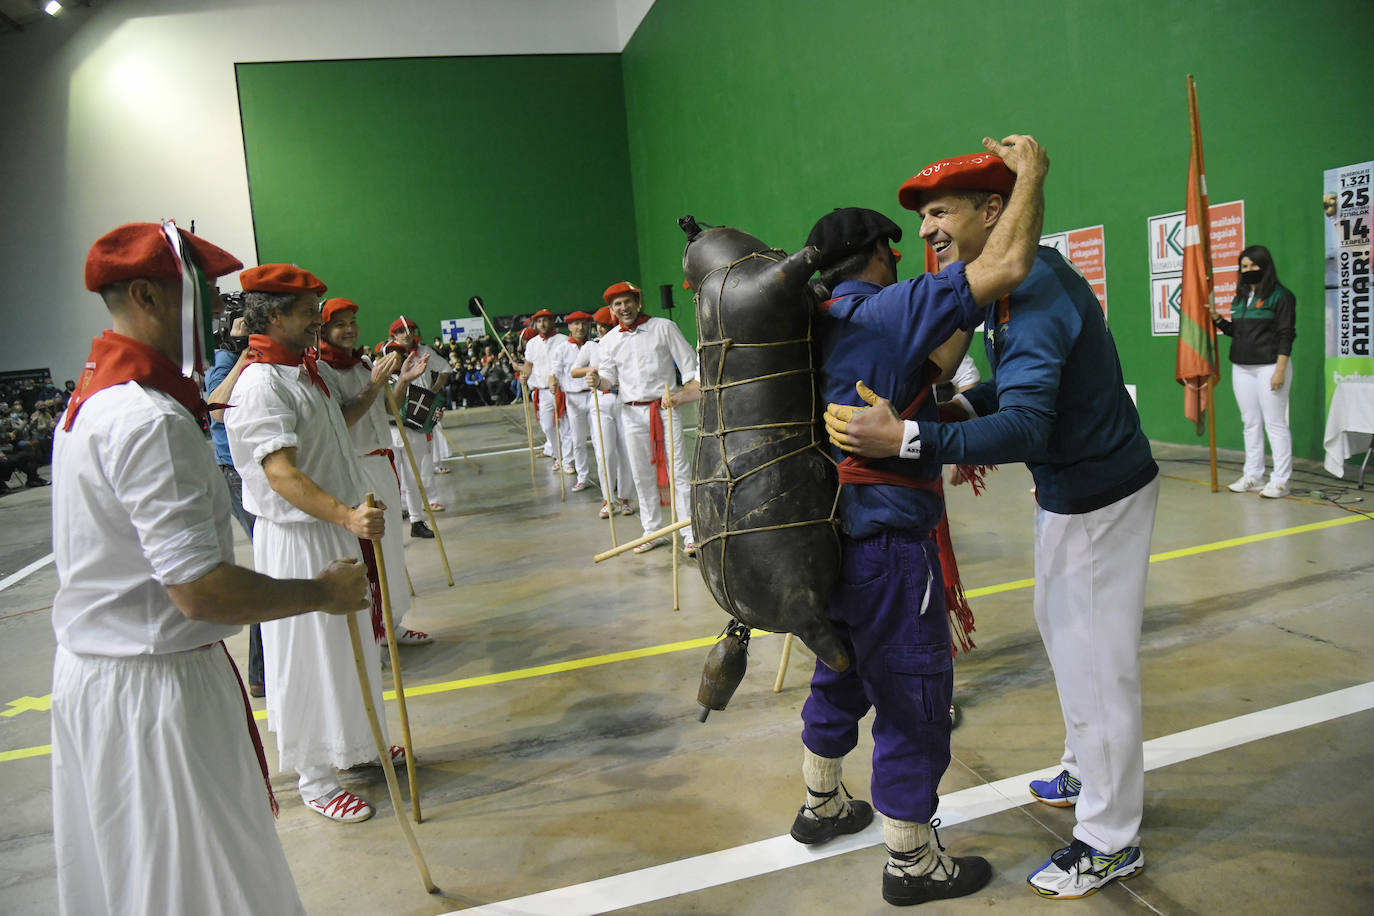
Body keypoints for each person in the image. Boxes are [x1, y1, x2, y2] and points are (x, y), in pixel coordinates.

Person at [826, 143, 1159, 900]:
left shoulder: (1033, 289)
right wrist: (953, 407)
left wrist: (908, 437)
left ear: (993, 212)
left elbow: (1031, 426)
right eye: (921, 219)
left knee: (1096, 663)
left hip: (1098, 495)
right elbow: (1011, 386)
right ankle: (1087, 766)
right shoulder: (1008, 293)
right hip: (1070, 493)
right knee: (1059, 626)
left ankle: (1111, 839)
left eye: (942, 212)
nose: (928, 231)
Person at [52, 222, 371, 914]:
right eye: (201, 289)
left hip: (121, 670)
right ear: (145, 295)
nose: (220, 307)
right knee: (196, 880)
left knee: (155, 874)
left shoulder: (101, 399)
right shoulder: (146, 419)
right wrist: (320, 592)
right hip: (153, 681)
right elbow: (198, 589)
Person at [792, 135, 1048, 909]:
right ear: (877, 253)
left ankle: (823, 803)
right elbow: (1003, 268)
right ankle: (910, 860)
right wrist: (1031, 173)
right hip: (885, 537)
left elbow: (926, 368)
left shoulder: (817, 322)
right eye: (897, 245)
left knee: (840, 666)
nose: (907, 255)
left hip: (823, 535)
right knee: (911, 689)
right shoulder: (885, 307)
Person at [225, 264, 398, 823]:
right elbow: (283, 477)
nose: (316, 321)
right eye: (306, 312)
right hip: (300, 535)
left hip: (333, 525)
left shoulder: (303, 371)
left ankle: (357, 742)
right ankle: (315, 778)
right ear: (272, 315)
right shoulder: (261, 385)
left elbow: (335, 437)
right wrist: (346, 515)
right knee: (307, 655)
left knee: (350, 651)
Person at [316, 297, 434, 645]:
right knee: (369, 554)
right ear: (323, 329)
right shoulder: (323, 369)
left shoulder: (362, 361)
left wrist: (402, 380)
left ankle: (392, 626)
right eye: (340, 324)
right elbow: (343, 420)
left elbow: (389, 407)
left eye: (352, 321)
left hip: (383, 463)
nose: (350, 329)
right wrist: (374, 383)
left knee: (393, 551)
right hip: (356, 467)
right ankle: (372, 633)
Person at [586, 283, 698, 554]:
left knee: (679, 471)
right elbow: (609, 379)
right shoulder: (610, 340)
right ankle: (652, 530)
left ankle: (689, 531)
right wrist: (598, 380)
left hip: (664, 409)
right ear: (612, 310)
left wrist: (682, 396)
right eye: (617, 305)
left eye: (627, 301)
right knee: (641, 472)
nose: (623, 308)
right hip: (631, 413)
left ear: (638, 301)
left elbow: (690, 367)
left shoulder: (663, 327)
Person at [205, 295, 265, 695]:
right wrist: (239, 354)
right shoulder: (223, 361)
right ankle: (261, 673)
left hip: (253, 467)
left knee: (272, 560)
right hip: (235, 472)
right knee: (269, 561)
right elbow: (216, 409)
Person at [1211, 245, 1296, 498]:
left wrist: (1279, 370)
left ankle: (1281, 480)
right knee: (1250, 423)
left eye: (1253, 266)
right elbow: (1238, 333)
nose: (1248, 270)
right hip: (1242, 368)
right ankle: (1253, 475)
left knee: (1275, 423)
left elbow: (1285, 335)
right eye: (1244, 267)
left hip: (1270, 366)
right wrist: (1217, 318)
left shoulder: (1281, 296)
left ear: (1265, 266)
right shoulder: (1240, 298)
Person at [572, 306, 635, 518]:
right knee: (605, 453)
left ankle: (624, 498)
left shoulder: (625, 341)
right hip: (601, 400)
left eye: (608, 326)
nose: (603, 330)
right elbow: (574, 371)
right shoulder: (591, 347)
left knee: (626, 452)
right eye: (601, 326)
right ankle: (609, 498)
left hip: (624, 400)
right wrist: (595, 370)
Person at [386, 316, 449, 526]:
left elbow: (445, 371)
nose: (406, 334)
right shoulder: (381, 368)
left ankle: (417, 518)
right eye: (401, 331)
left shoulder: (424, 352)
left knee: (416, 472)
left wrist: (434, 401)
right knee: (392, 477)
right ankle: (398, 511)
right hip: (390, 430)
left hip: (418, 421)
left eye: (409, 330)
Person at [550, 310, 596, 491]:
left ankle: (608, 478)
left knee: (600, 441)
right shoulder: (562, 349)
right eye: (576, 324)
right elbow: (554, 372)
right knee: (578, 440)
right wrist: (552, 382)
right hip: (573, 398)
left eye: (584, 323)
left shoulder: (594, 345)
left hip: (594, 396)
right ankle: (582, 477)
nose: (580, 327)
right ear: (569, 326)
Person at [521, 309, 570, 469]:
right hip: (542, 391)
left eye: (545, 320)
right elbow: (528, 366)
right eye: (539, 321)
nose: (542, 324)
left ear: (552, 322)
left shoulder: (564, 340)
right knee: (548, 427)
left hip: (562, 390)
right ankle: (558, 455)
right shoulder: (532, 344)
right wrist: (524, 376)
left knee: (565, 428)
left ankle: (568, 461)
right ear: (536, 324)